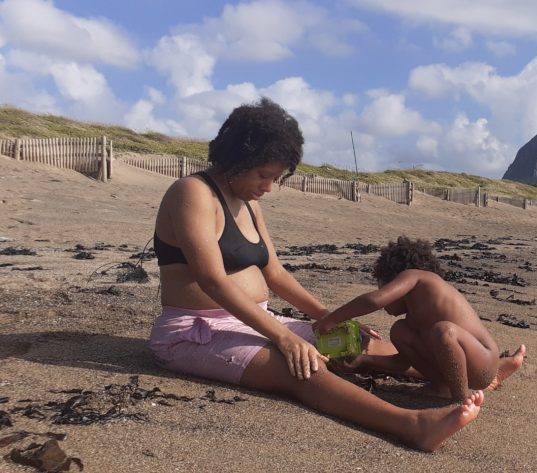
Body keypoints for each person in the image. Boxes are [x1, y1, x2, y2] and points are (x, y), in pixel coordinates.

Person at [148, 97, 481, 452]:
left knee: (356, 341)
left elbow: (274, 273)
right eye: (264, 175)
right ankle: (412, 425)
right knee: (299, 366)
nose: (269, 187)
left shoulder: (249, 203)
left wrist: (325, 318)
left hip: (256, 318)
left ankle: (470, 375)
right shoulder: (192, 193)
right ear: (237, 159)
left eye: (276, 178)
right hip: (195, 331)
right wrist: (285, 337)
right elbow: (213, 281)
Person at [313, 236, 524, 401]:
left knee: (444, 331)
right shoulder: (414, 319)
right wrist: (365, 360)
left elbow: (374, 301)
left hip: (483, 361)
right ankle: (441, 388)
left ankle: (459, 400)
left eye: (384, 287)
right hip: (463, 365)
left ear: (396, 282)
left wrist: (330, 319)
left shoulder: (417, 277)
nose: (386, 301)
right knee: (399, 330)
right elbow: (404, 362)